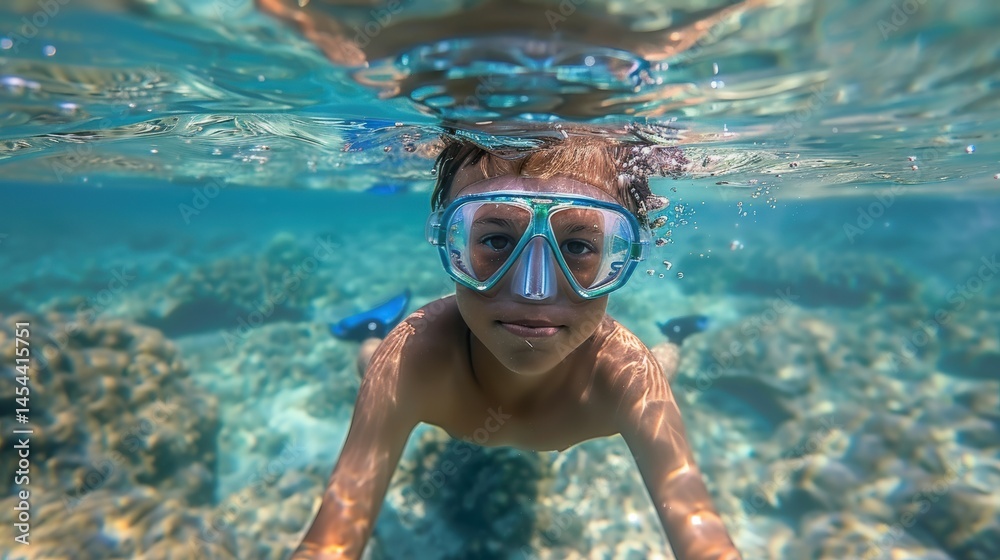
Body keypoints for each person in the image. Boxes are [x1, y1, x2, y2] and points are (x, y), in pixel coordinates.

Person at [290, 134, 742, 560]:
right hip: (423, 367)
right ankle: (371, 329)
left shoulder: (628, 378)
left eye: (579, 246)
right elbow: (335, 533)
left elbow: (701, 533)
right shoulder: (414, 357)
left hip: (620, 375)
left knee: (663, 364)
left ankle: (677, 334)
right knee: (372, 359)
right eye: (496, 240)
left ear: (620, 258)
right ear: (450, 243)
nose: (534, 291)